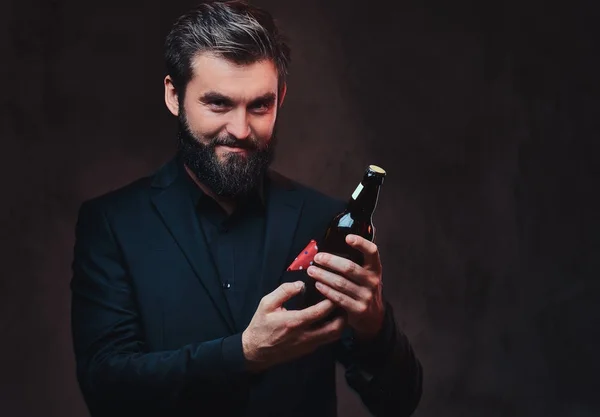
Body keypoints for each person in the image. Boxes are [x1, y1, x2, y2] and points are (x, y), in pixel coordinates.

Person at [69, 1, 423, 416]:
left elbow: (398, 402)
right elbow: (106, 389)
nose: (240, 130)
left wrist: (374, 325)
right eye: (218, 104)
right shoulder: (112, 224)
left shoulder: (323, 220)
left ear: (281, 97)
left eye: (260, 106)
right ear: (173, 95)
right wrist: (243, 354)